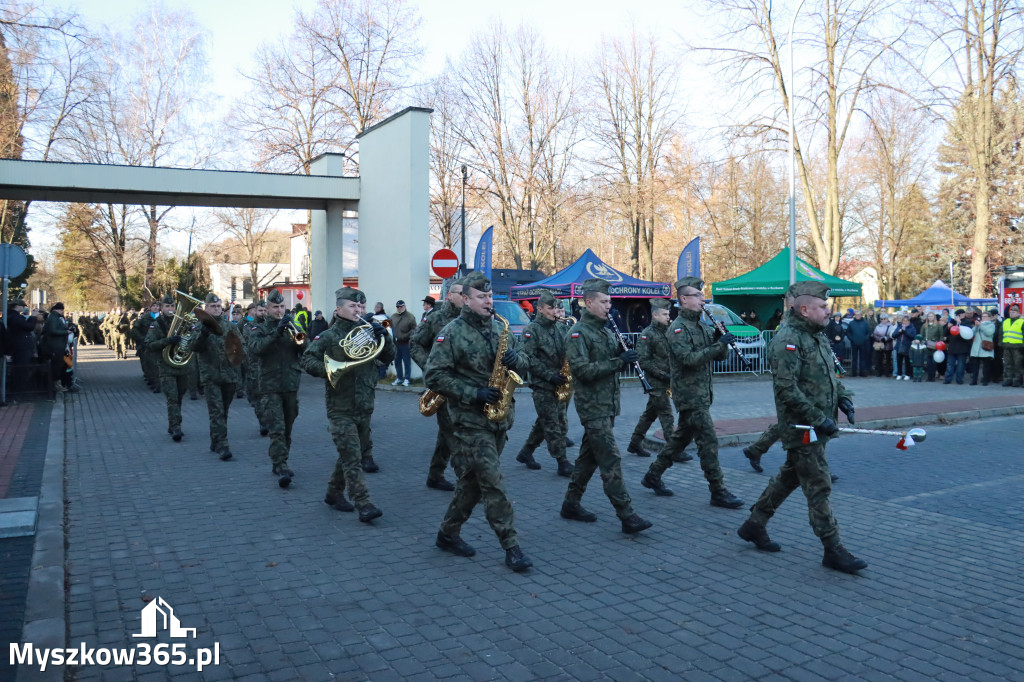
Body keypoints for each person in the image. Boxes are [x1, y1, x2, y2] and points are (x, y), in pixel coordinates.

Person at [737, 281, 865, 574]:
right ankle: (833, 549)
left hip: (817, 424)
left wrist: (844, 399)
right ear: (804, 309)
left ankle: (754, 524)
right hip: (802, 427)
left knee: (789, 477)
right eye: (822, 307)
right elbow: (786, 390)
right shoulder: (787, 340)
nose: (827, 311)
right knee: (818, 485)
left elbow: (829, 377)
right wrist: (819, 419)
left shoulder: (816, 336)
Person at [425, 271, 533, 572]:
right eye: (482, 297)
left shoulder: (502, 327)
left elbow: (525, 361)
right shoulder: (452, 332)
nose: (488, 301)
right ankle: (511, 546)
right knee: (492, 482)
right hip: (470, 421)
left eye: (490, 296)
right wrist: (473, 393)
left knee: (472, 484)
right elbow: (434, 376)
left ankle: (447, 533)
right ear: (466, 300)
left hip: (499, 418)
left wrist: (517, 360)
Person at [639, 277, 744, 509]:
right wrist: (717, 346)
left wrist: (721, 341)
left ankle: (653, 475)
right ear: (684, 299)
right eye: (697, 295)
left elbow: (719, 356)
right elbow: (689, 360)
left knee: (679, 439)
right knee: (708, 441)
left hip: (702, 393)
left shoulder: (703, 326)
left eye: (701, 295)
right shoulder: (678, 329)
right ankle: (718, 490)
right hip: (689, 395)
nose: (702, 299)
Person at [559, 277, 653, 534]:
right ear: (588, 303)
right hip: (592, 407)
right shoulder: (578, 333)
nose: (608, 306)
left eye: (610, 301)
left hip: (608, 404)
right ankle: (627, 514)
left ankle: (571, 503)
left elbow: (613, 360)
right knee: (610, 458)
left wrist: (626, 356)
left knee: (588, 458)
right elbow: (583, 371)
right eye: (603, 301)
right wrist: (618, 361)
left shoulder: (606, 330)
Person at [301, 287, 395, 522]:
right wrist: (329, 371)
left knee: (349, 453)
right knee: (353, 458)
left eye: (362, 306)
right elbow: (307, 359)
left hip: (365, 404)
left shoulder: (369, 332)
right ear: (339, 309)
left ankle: (333, 494)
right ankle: (363, 503)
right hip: (340, 407)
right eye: (353, 306)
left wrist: (384, 336)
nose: (359, 310)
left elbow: (388, 357)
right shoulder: (329, 336)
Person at [246, 289, 307, 488]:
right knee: (277, 428)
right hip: (269, 385)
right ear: (267, 308)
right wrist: (276, 332)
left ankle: (281, 459)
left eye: (282, 306)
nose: (279, 310)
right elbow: (257, 349)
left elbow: (304, 349)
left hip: (290, 383)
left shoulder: (292, 325)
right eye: (275, 307)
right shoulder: (258, 328)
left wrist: (300, 339)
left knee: (288, 426)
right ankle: (280, 464)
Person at [409, 279, 465, 491]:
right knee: (455, 434)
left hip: (464, 386)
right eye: (461, 293)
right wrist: (430, 368)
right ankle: (467, 482)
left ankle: (435, 474)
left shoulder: (472, 317)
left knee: (446, 434)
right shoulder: (436, 318)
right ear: (450, 295)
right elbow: (415, 343)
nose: (465, 297)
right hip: (443, 385)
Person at [515, 289, 574, 476]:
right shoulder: (531, 330)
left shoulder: (560, 327)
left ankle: (526, 452)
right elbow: (529, 358)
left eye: (557, 307)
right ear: (540, 309)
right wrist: (549, 375)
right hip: (542, 384)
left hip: (559, 382)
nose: (555, 311)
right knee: (552, 423)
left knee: (545, 421)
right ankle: (562, 462)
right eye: (551, 308)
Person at [193, 294, 242, 461]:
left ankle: (215, 440)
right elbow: (194, 347)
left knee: (224, 411)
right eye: (213, 306)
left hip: (229, 375)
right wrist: (204, 334)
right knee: (216, 411)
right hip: (210, 376)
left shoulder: (230, 326)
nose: (216, 309)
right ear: (206, 308)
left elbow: (240, 347)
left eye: (218, 306)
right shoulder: (199, 327)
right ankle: (223, 445)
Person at [626, 298, 676, 460]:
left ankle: (634, 443)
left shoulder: (668, 331)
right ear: (655, 314)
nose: (668, 317)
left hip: (668, 379)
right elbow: (643, 360)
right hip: (655, 381)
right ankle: (673, 450)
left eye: (668, 313)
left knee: (650, 414)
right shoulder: (648, 334)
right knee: (666, 413)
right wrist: (662, 374)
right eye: (664, 314)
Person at [145, 295, 190, 440]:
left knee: (180, 396)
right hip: (165, 366)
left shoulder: (182, 322)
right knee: (172, 397)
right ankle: (176, 427)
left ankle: (174, 423)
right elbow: (149, 345)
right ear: (161, 308)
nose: (170, 309)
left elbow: (190, 340)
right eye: (167, 307)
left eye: (172, 307)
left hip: (180, 364)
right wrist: (167, 341)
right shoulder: (156, 324)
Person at [241, 300, 270, 436]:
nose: (263, 313)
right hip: (254, 366)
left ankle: (269, 420)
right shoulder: (249, 326)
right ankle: (262, 421)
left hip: (270, 366)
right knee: (257, 397)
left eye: (265, 311)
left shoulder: (273, 325)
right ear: (255, 312)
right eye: (260, 311)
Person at [6, 299, 37, 396]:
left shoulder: (14, 316)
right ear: (16, 306)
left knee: (23, 369)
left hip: (21, 346)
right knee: (22, 369)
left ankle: (20, 389)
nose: (24, 308)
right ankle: (20, 391)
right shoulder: (14, 317)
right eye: (22, 306)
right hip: (21, 347)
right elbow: (29, 327)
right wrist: (33, 317)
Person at [389, 300, 417, 386]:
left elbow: (414, 329)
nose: (399, 308)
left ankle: (407, 379)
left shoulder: (410, 317)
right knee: (397, 361)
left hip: (406, 343)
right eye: (398, 307)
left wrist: (405, 335)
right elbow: (389, 327)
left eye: (401, 306)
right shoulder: (393, 316)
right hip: (396, 343)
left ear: (404, 306)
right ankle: (399, 378)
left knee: (406, 362)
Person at [968, 310, 996, 385]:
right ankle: (974, 380)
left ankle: (985, 380)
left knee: (986, 366)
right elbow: (971, 334)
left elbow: (989, 333)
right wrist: (976, 327)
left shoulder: (991, 325)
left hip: (985, 347)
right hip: (976, 347)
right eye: (982, 316)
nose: (983, 318)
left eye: (985, 316)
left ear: (989, 318)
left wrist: (981, 325)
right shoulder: (978, 324)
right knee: (975, 366)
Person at [944, 309, 972, 384]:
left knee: (961, 365)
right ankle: (948, 379)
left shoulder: (967, 322)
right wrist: (947, 327)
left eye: (959, 315)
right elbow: (945, 333)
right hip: (952, 347)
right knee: (950, 364)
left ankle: (959, 379)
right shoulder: (952, 322)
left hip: (962, 347)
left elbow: (968, 333)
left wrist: (960, 324)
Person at [846, 310, 872, 377]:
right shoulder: (851, 323)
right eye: (856, 315)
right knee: (854, 358)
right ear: (855, 315)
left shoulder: (865, 323)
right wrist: (852, 339)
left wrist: (865, 339)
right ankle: (854, 372)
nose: (857, 316)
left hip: (863, 343)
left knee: (862, 358)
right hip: (854, 343)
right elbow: (848, 332)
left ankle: (862, 372)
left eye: (858, 314)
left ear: (861, 315)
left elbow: (868, 333)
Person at [1002, 304, 1023, 387]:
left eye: (1014, 312)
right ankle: (1008, 379)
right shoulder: (1006, 321)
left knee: (1017, 365)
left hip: (1017, 347)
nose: (1011, 313)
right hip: (1007, 346)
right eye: (1011, 312)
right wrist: (1001, 344)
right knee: (1007, 364)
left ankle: (1017, 380)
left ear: (1018, 313)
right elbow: (1001, 334)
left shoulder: (1021, 321)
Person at [919, 312, 943, 381]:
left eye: (931, 316)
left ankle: (933, 376)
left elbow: (941, 336)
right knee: (928, 362)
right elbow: (921, 335)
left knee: (934, 362)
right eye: (929, 316)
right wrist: (923, 341)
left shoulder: (938, 325)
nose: (930, 318)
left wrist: (939, 343)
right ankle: (929, 376)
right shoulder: (924, 326)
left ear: (934, 317)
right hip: (926, 346)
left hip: (935, 346)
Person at [892, 314, 916, 380]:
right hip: (899, 346)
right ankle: (899, 374)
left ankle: (907, 374)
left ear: (909, 321)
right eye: (903, 321)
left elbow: (912, 337)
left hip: (907, 346)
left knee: (907, 361)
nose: (905, 322)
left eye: (906, 321)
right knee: (899, 361)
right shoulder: (899, 327)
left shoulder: (912, 328)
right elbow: (893, 335)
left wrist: (905, 332)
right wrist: (899, 333)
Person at [871, 313, 895, 378]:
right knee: (879, 359)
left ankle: (887, 372)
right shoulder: (878, 326)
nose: (883, 320)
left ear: (887, 319)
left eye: (884, 318)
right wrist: (880, 338)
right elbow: (875, 334)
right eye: (881, 319)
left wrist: (886, 338)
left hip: (888, 345)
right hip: (880, 344)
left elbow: (892, 334)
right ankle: (879, 372)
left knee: (888, 359)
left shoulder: (891, 326)